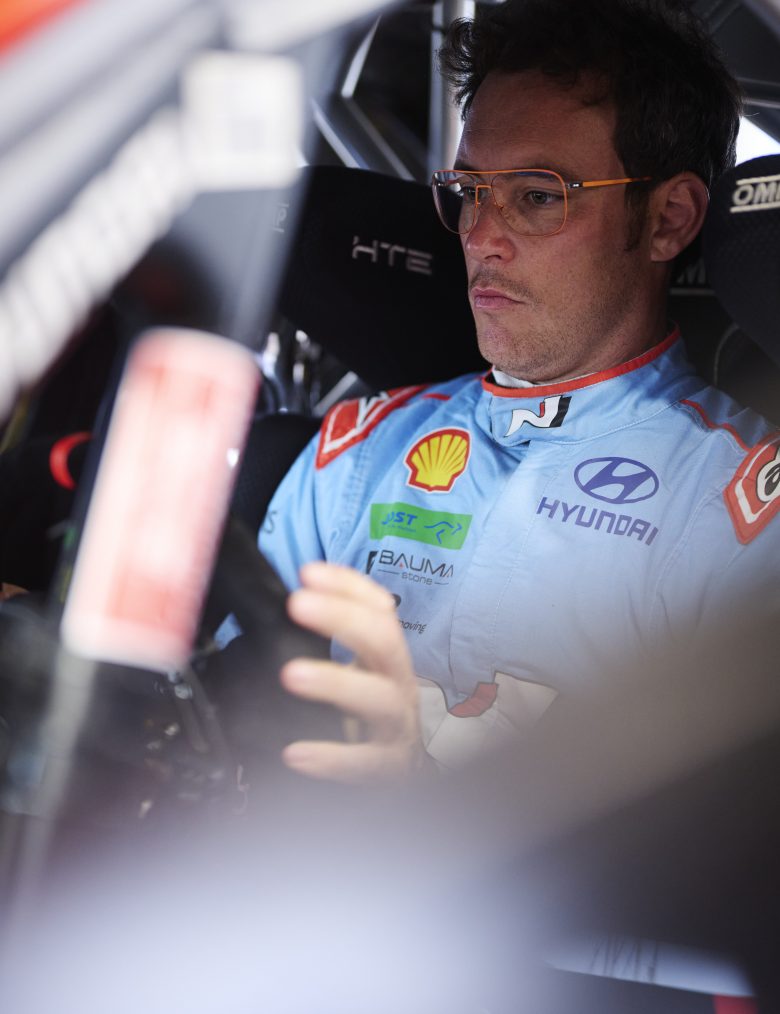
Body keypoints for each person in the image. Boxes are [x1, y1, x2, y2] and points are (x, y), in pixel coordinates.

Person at [259, 0, 780, 781]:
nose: (479, 235)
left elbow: (720, 836)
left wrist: (409, 793)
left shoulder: (740, 513)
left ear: (669, 219)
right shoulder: (357, 451)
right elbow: (227, 707)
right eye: (472, 191)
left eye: (538, 195)